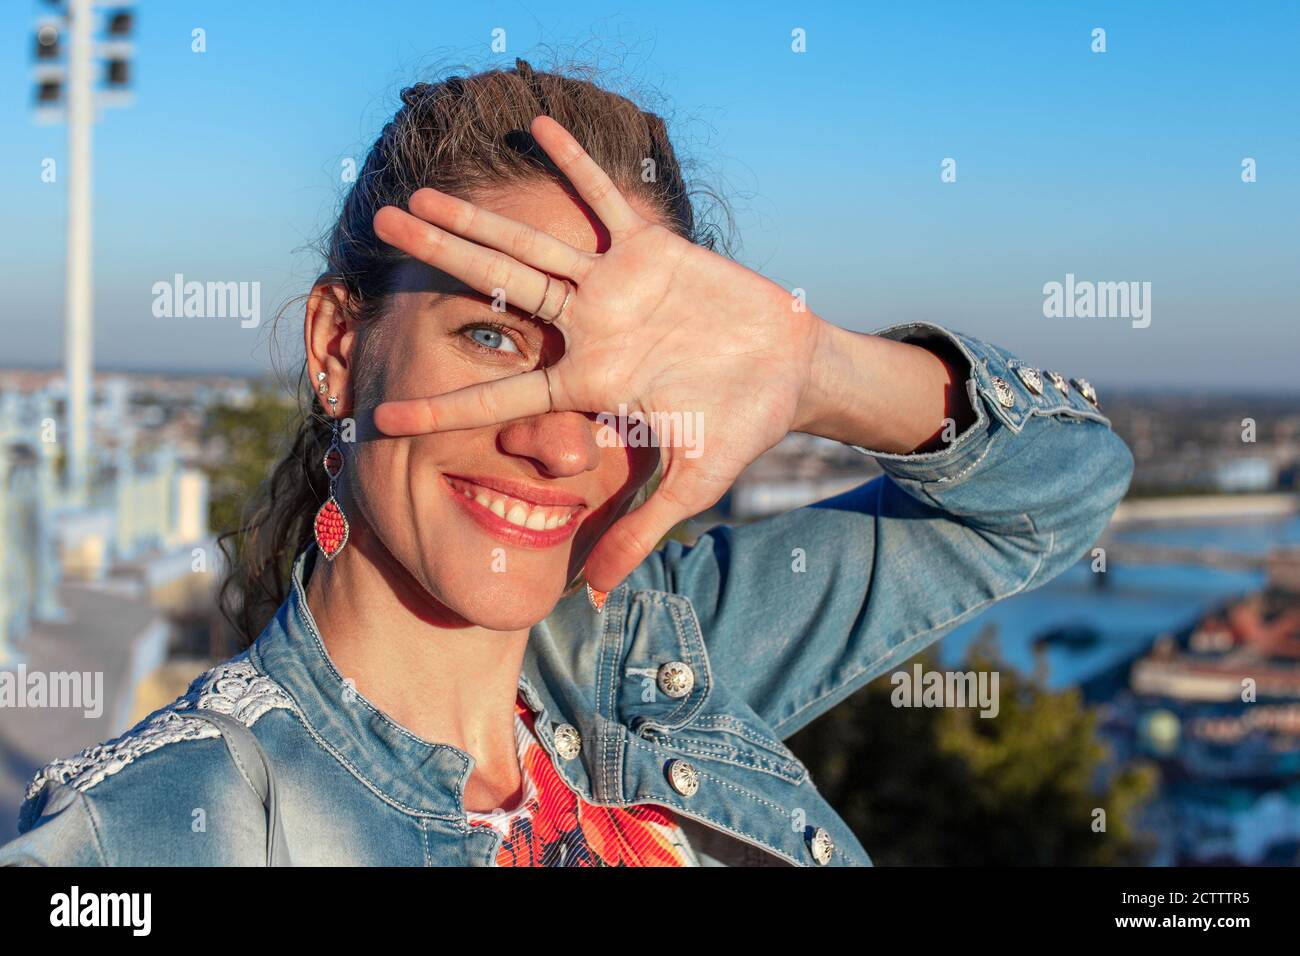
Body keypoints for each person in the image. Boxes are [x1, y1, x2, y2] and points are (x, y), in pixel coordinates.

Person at [0, 59, 1132, 866]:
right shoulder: (158, 824)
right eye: (491, 337)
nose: (560, 439)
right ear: (339, 348)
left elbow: (1057, 492)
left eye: (624, 387)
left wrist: (814, 366)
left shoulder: (658, 659)